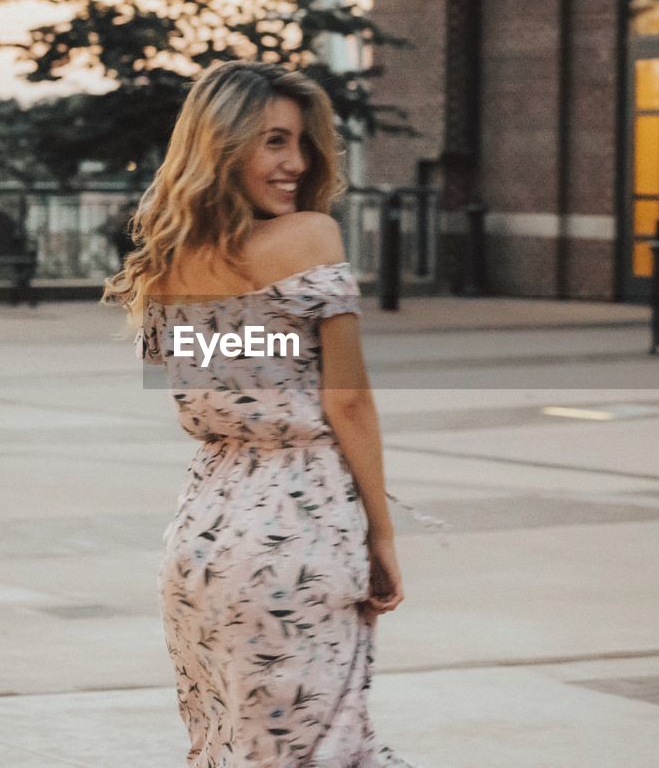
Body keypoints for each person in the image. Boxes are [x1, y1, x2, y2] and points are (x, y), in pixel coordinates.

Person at [102, 61, 420, 766]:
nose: (296, 163)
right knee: (323, 749)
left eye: (302, 144)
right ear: (223, 144)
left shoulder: (168, 265)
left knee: (226, 748)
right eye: (274, 141)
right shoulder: (311, 237)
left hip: (202, 544)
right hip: (297, 536)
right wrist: (384, 535)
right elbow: (349, 400)